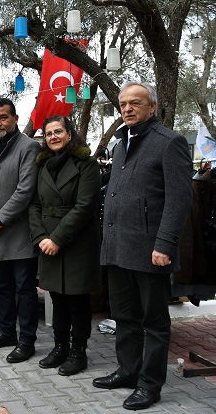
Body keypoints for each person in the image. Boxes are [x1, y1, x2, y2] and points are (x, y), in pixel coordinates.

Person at [92, 82, 192, 410]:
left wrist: (165, 244)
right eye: (123, 104)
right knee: (124, 317)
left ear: (152, 107)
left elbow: (179, 199)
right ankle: (127, 371)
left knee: (155, 322)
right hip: (119, 248)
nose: (127, 108)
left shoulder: (169, 142)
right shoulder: (122, 142)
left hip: (152, 251)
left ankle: (150, 385)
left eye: (136, 103)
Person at [28, 116, 101, 376]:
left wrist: (57, 239)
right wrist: (41, 238)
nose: (53, 137)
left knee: (77, 300)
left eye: (58, 131)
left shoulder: (87, 164)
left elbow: (84, 208)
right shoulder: (43, 165)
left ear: (70, 134)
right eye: (48, 134)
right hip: (47, 241)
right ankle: (60, 348)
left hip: (76, 242)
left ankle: (78, 352)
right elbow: (34, 205)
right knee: (56, 298)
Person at [0, 98, 40, 363]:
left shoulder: (29, 147)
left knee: (24, 291)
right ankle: (4, 332)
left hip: (18, 235)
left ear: (15, 118)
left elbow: (25, 191)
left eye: (3, 117)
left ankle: (26, 341)